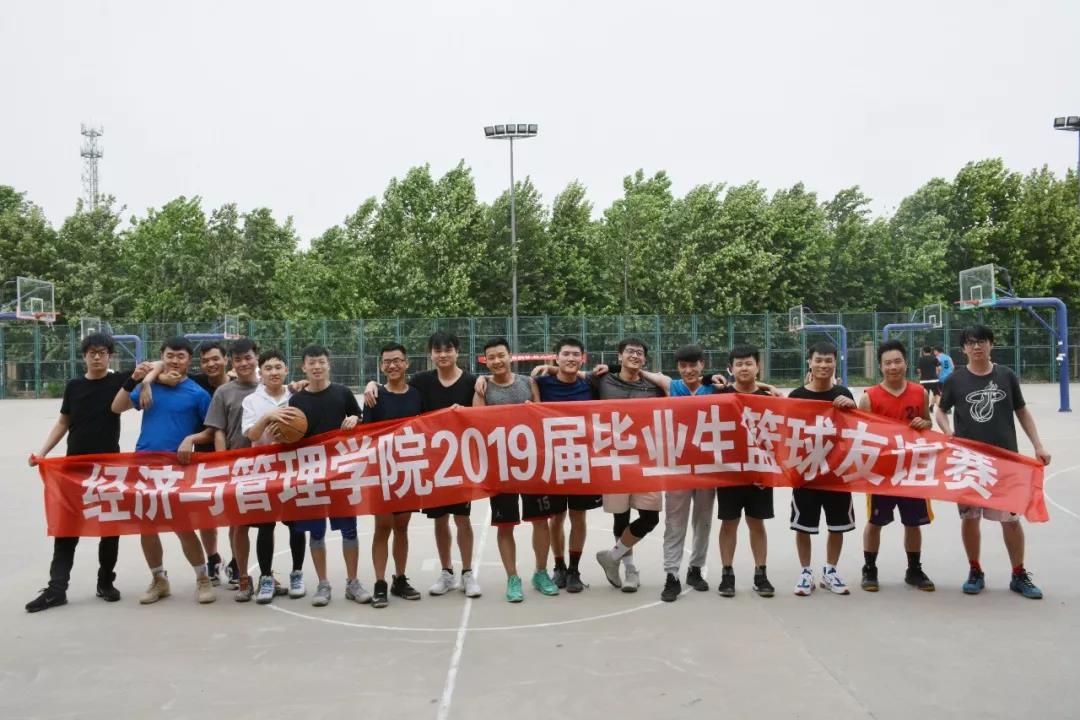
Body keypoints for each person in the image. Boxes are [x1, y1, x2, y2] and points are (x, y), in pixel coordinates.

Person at [25, 333, 146, 612]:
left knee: (110, 527)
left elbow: (151, 370)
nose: (97, 357)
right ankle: (56, 589)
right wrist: (43, 452)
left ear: (110, 356)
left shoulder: (120, 381)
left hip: (108, 468)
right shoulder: (74, 386)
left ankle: (105, 582)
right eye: (92, 353)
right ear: (84, 357)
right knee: (66, 528)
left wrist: (146, 382)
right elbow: (63, 422)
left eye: (102, 352)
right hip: (74, 468)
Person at [935, 325, 1051, 599]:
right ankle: (975, 571)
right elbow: (940, 410)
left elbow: (1021, 411)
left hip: (1005, 461)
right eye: (971, 342)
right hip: (969, 462)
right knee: (970, 518)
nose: (977, 346)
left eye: (982, 341)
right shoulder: (955, 380)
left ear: (991, 345)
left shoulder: (1006, 376)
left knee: (1010, 519)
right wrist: (948, 432)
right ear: (963, 348)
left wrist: (1038, 444)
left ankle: (1018, 574)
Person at [365, 331, 481, 599]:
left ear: (457, 352)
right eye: (437, 350)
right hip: (425, 465)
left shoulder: (472, 381)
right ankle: (446, 572)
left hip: (458, 462)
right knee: (437, 520)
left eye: (448, 349)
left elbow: (479, 416)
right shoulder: (421, 383)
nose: (443, 354)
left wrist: (480, 384)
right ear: (430, 355)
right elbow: (387, 393)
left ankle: (467, 573)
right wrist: (372, 383)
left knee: (462, 519)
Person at [111, 336, 216, 604]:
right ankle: (159, 579)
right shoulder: (150, 386)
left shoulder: (198, 394)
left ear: (189, 361)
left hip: (177, 469)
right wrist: (139, 379)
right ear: (162, 356)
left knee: (183, 526)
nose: (175, 361)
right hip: (143, 466)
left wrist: (191, 439)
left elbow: (212, 430)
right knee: (147, 526)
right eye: (170, 355)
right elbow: (117, 407)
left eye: (181, 356)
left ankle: (203, 578)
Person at [140, 340, 234, 586]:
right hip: (199, 454)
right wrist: (150, 379)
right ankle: (212, 560)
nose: (211, 364)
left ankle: (237, 564)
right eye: (205, 360)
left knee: (237, 514)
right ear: (198, 363)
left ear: (226, 360)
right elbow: (162, 364)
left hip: (232, 453)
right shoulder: (197, 382)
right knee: (205, 516)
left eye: (216, 359)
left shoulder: (238, 383)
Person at [474, 338, 558, 602]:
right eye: (491, 357)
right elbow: (475, 423)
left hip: (532, 464)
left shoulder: (528, 383)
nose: (497, 361)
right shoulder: (483, 388)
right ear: (485, 361)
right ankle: (512, 578)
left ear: (510, 356)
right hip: (500, 467)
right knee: (505, 525)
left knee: (540, 521)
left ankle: (541, 572)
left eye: (501, 355)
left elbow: (541, 418)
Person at [202, 338, 284, 603]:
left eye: (248, 358)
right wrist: (224, 464)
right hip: (238, 466)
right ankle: (243, 577)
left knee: (267, 525)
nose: (244, 363)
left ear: (256, 358)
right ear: (231, 362)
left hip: (268, 466)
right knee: (240, 525)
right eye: (237, 360)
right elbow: (218, 431)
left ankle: (267, 575)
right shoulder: (224, 392)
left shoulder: (269, 386)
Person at [288, 345, 369, 607]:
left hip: (341, 473)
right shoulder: (296, 401)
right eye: (311, 363)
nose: (317, 367)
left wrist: (355, 419)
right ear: (303, 367)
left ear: (328, 364)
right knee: (316, 532)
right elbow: (290, 435)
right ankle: (323, 584)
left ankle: (352, 582)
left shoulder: (342, 393)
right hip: (310, 474)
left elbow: (360, 418)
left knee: (349, 529)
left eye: (321, 362)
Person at [858, 339, 935, 592]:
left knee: (913, 522)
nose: (893, 367)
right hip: (882, 472)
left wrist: (925, 424)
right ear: (880, 367)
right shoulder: (869, 398)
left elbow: (928, 423)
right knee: (875, 521)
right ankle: (870, 568)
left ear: (906, 363)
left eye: (897, 361)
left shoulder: (920, 393)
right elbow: (860, 435)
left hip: (912, 470)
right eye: (888, 363)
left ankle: (914, 569)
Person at [593, 338, 665, 593]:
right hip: (614, 458)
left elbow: (678, 387)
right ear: (619, 356)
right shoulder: (603, 381)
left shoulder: (653, 387)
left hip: (646, 459)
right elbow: (572, 376)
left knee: (650, 517)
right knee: (621, 516)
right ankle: (629, 569)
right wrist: (549, 368)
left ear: (645, 359)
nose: (635, 356)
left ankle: (612, 557)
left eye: (640, 353)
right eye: (630, 352)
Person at [531, 338, 603, 593]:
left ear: (583, 358)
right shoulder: (541, 383)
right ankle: (559, 566)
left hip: (583, 460)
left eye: (575, 354)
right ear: (556, 357)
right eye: (565, 354)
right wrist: (483, 380)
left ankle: (574, 569)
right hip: (553, 461)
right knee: (557, 516)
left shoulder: (590, 385)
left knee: (579, 515)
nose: (570, 358)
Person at [787, 342, 857, 596]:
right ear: (810, 362)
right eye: (819, 360)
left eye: (829, 360)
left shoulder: (844, 394)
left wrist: (852, 408)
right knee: (803, 526)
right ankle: (806, 572)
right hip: (806, 473)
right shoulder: (796, 396)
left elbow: (857, 429)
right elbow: (786, 434)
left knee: (837, 526)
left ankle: (830, 571)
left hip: (837, 474)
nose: (823, 365)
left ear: (835, 363)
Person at [241, 349, 308, 603]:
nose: (274, 372)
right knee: (266, 526)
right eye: (268, 368)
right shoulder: (251, 401)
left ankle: (297, 573)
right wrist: (269, 416)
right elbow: (252, 435)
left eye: (278, 367)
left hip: (293, 468)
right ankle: (266, 578)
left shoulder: (297, 396)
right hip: (264, 470)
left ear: (286, 370)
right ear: (261, 373)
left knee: (295, 524)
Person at [363, 343, 423, 608]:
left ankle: (400, 578)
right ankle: (380, 583)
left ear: (406, 363)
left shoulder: (417, 395)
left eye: (397, 360)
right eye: (387, 361)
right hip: (382, 470)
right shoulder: (374, 396)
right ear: (381, 366)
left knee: (402, 527)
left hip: (408, 468)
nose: (392, 365)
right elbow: (366, 435)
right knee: (382, 527)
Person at [714, 345, 775, 598]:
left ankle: (761, 574)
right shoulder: (721, 395)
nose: (744, 368)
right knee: (729, 523)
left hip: (759, 473)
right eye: (738, 364)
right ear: (731, 369)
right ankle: (727, 574)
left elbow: (778, 437)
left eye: (749, 363)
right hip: (729, 472)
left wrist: (768, 472)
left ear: (758, 366)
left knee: (756, 523)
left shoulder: (769, 398)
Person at [916, 345, 941, 412]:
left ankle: (925, 410)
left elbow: (918, 370)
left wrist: (920, 375)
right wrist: (937, 374)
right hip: (934, 380)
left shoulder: (921, 359)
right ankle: (941, 408)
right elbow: (939, 368)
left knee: (925, 396)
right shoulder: (934, 358)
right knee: (936, 394)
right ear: (930, 351)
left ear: (923, 351)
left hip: (924, 380)